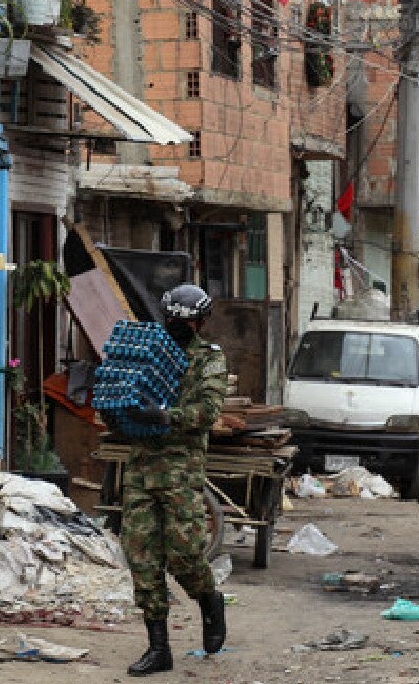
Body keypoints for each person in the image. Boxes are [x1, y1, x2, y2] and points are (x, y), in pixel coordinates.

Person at [118, 284, 229, 676]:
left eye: (185, 322)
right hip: (141, 468)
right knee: (141, 558)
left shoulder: (208, 360)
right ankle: (158, 647)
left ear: (200, 322)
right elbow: (122, 391)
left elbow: (209, 409)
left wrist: (168, 417)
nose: (177, 328)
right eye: (172, 321)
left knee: (184, 554)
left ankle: (208, 600)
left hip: (180, 470)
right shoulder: (149, 353)